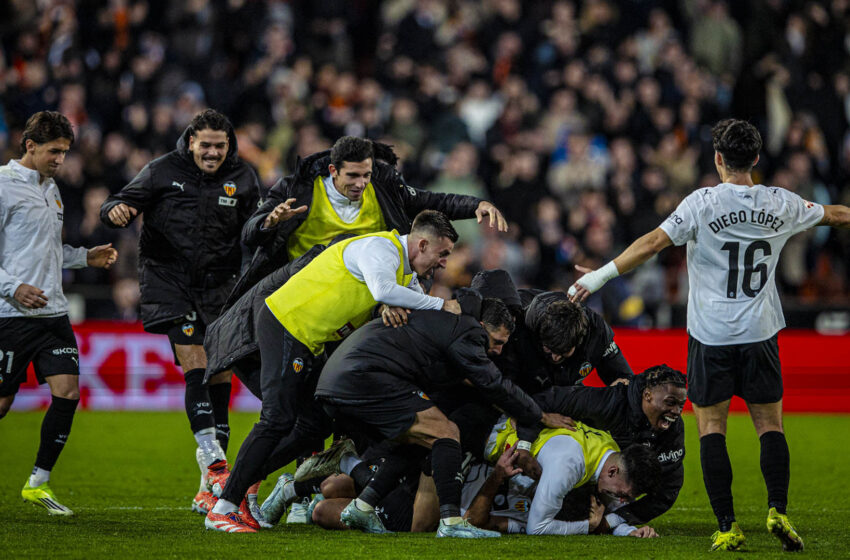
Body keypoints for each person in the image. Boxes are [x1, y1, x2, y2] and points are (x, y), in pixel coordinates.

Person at [568, 119, 850, 551]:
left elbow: (652, 243)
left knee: (711, 430)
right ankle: (777, 508)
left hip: (712, 336)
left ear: (718, 159)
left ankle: (727, 524)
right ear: (756, 159)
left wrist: (601, 276)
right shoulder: (781, 202)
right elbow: (835, 215)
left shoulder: (702, 203)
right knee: (770, 426)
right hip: (760, 334)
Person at [204, 210, 464, 533]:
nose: (444, 263)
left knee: (316, 422)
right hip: (287, 323)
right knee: (278, 418)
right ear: (422, 244)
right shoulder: (380, 249)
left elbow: (403, 301)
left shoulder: (403, 275)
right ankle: (224, 507)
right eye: (443, 254)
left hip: (306, 340)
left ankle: (239, 486)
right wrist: (442, 305)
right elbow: (383, 290)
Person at [100, 109, 261, 514]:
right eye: (205, 145)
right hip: (169, 283)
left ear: (229, 145)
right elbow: (117, 203)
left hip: (220, 287)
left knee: (220, 372)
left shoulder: (243, 178)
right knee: (196, 364)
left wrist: (271, 224)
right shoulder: (160, 171)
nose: (212, 153)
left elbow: (256, 231)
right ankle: (212, 459)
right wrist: (115, 210)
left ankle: (209, 485)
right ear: (191, 141)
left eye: (219, 146)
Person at [311, 294, 573, 539]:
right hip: (366, 377)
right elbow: (493, 384)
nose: (498, 351)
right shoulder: (468, 332)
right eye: (497, 341)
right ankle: (450, 524)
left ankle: (363, 504)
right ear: (482, 326)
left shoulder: (447, 322)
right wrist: (538, 415)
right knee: (447, 432)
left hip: (348, 375)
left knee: (420, 437)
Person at [0, 111, 118, 515]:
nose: (60, 160)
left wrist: (86, 257)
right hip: (11, 315)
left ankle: (38, 482)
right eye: (54, 151)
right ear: (29, 145)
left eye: (65, 152)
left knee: (67, 393)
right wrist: (13, 287)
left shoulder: (52, 189)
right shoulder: (3, 186)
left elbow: (50, 253)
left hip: (52, 313)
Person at [230, 136, 507, 303]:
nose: (361, 183)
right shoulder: (295, 190)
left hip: (364, 294)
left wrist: (475, 205)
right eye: (352, 176)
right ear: (332, 171)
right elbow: (249, 234)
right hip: (305, 291)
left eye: (366, 175)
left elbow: (430, 201)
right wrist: (270, 223)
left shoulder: (384, 188)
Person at [534, 364, 687, 526]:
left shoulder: (673, 430)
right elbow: (546, 400)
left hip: (612, 490)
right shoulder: (609, 402)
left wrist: (613, 521)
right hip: (566, 476)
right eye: (670, 403)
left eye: (681, 405)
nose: (676, 411)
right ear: (647, 395)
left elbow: (668, 489)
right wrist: (527, 435)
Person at [474, 419, 661, 536]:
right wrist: (587, 526)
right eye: (623, 494)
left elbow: (606, 507)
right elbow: (537, 528)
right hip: (483, 437)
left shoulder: (609, 451)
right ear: (612, 471)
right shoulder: (568, 466)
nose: (621, 500)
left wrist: (630, 531)